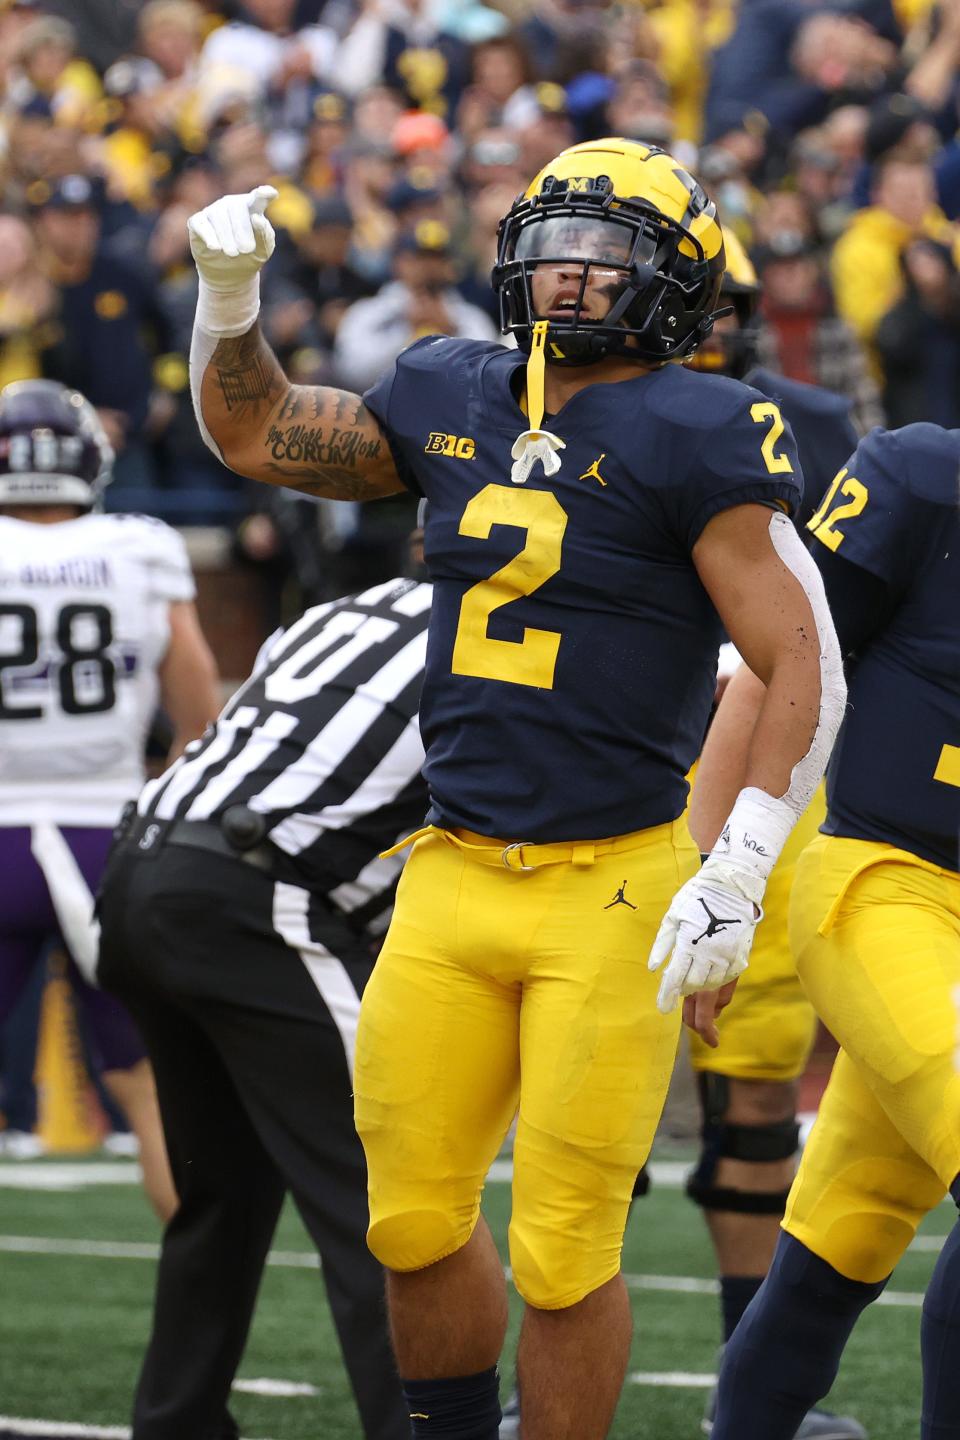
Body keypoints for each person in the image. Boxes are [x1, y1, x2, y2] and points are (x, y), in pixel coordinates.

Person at [185, 139, 846, 1440]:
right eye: (553, 244)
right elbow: (259, 432)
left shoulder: (702, 423)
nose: (568, 274)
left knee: (563, 1250)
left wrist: (742, 861)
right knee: (411, 1218)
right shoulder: (449, 386)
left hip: (609, 881)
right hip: (451, 866)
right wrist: (231, 298)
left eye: (604, 255)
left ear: (676, 280)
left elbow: (798, 651)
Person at [96, 570, 432, 1440]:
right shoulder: (513, 632)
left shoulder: (346, 609)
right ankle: (427, 1428)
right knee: (392, 1199)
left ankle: (178, 1423)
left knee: (224, 1193)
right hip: (253, 895)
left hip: (142, 867)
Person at [694, 422, 960, 1440]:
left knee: (831, 1253)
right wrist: (716, 876)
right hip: (891, 885)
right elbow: (774, 669)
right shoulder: (923, 477)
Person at [684, 233, 867, 1440]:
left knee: (764, 1106)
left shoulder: (807, 418)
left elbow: (843, 611)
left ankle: (754, 1390)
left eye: (722, 304)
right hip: (633, 750)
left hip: (766, 758)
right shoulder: (558, 411)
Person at [0, 378, 219, 1217]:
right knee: (146, 1081)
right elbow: (200, 712)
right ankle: (200, 1313)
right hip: (108, 837)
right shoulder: (138, 546)